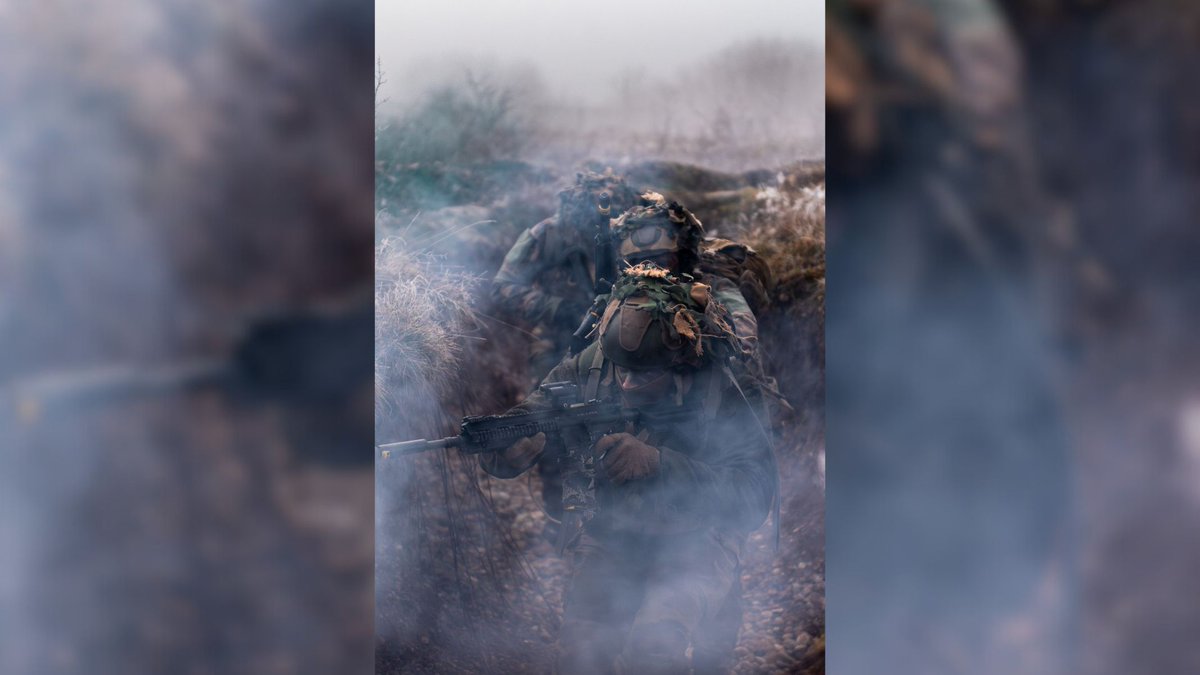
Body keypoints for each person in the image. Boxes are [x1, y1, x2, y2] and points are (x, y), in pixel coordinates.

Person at [482, 268, 777, 674]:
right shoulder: (589, 368)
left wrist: (659, 464)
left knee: (655, 651)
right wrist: (509, 445)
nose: (625, 383)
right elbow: (529, 422)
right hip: (613, 532)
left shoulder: (720, 387)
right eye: (621, 370)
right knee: (583, 654)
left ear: (678, 366)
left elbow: (754, 496)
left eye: (644, 375)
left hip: (698, 538)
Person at [492, 170, 641, 378]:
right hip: (558, 338)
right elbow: (502, 287)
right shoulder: (547, 235)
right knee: (552, 396)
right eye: (593, 223)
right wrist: (558, 308)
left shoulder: (634, 232)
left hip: (623, 334)